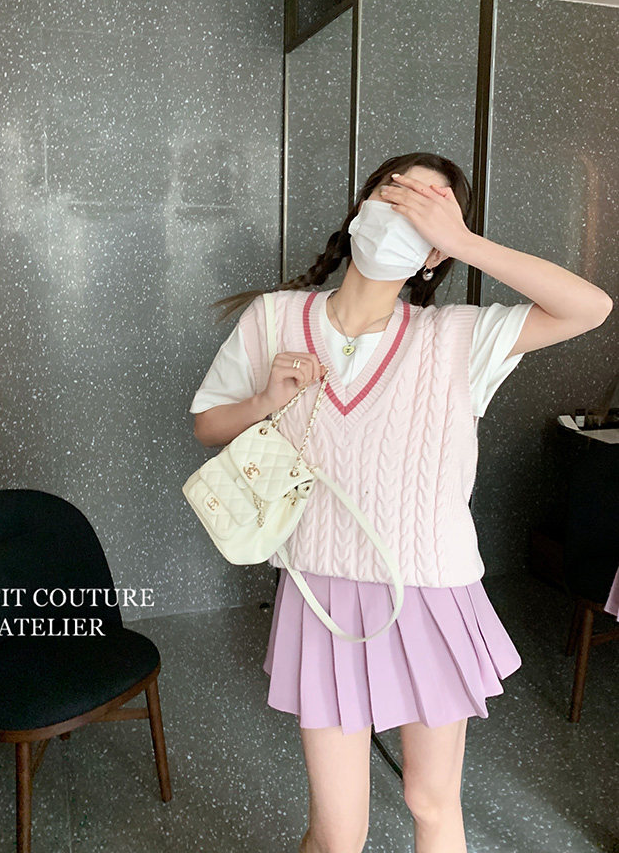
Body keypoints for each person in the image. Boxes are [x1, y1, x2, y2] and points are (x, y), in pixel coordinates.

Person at [189, 152, 612, 853]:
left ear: (436, 252)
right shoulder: (276, 317)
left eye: (432, 205)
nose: (408, 208)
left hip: (430, 591)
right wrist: (266, 400)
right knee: (338, 832)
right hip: (319, 592)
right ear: (361, 209)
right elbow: (209, 424)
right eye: (396, 192)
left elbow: (590, 308)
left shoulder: (459, 337)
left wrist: (465, 242)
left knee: (430, 802)